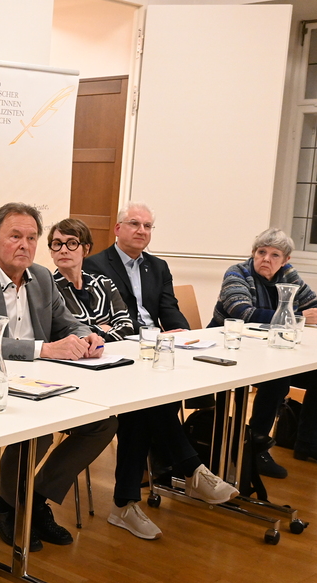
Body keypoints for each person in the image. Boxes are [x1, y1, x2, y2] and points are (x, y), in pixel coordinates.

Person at [0, 204, 118, 551]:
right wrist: (44, 349)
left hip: (44, 380)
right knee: (36, 431)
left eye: (31, 238)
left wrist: (87, 334)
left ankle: (35, 498)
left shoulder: (41, 277)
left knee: (103, 423)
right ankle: (8, 508)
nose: (24, 245)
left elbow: (67, 320)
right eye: (15, 237)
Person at [84, 202, 238, 540]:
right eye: (135, 224)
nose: (142, 231)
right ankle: (191, 471)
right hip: (115, 356)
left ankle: (127, 502)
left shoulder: (158, 266)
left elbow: (169, 309)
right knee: (146, 406)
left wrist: (184, 335)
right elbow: (103, 320)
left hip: (152, 354)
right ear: (118, 229)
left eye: (148, 226)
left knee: (148, 407)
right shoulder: (94, 264)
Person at [210, 228, 317, 471]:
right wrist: (301, 316)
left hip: (270, 352)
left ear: (285, 260)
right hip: (230, 351)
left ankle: (308, 442)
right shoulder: (237, 273)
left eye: (275, 255)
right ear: (253, 253)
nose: (266, 259)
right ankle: (256, 449)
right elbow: (244, 313)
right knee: (276, 379)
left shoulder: (288, 276)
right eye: (261, 252)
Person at [47, 217, 134, 342]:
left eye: (72, 243)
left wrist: (95, 339)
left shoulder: (104, 284)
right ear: (51, 251)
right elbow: (60, 334)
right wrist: (103, 329)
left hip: (110, 354)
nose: (63, 250)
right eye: (57, 244)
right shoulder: (49, 289)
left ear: (86, 249)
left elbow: (126, 326)